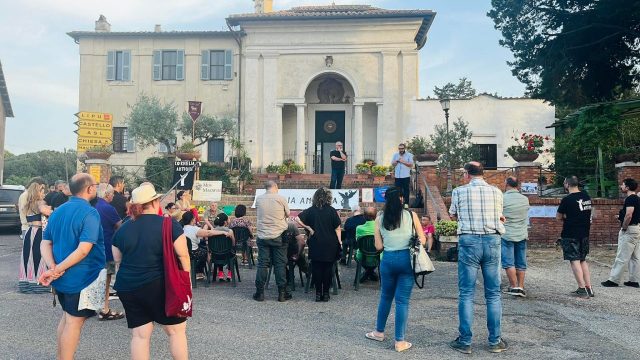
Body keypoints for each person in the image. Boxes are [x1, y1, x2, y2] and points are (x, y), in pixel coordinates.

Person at [111, 184, 190, 360]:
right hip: (161, 285)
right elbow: (183, 255)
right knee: (176, 332)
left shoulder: (124, 227)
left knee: (140, 335)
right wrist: (186, 284)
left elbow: (117, 258)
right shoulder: (170, 225)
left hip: (128, 286)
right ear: (155, 202)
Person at [39, 173, 106, 360]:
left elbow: (45, 243)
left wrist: (53, 267)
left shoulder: (58, 210)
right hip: (81, 277)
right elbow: (84, 249)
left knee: (67, 319)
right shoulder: (90, 213)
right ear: (90, 188)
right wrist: (57, 269)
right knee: (73, 323)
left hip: (62, 277)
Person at [449, 162, 508, 354]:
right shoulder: (497, 192)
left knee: (466, 292)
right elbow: (500, 216)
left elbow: (452, 215)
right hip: (492, 240)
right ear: (483, 174)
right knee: (493, 293)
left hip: (469, 241)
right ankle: (495, 340)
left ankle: (465, 341)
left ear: (467, 174)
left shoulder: (459, 191)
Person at [365, 187, 425, 352]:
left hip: (389, 260)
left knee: (385, 297)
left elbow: (378, 246)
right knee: (402, 301)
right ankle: (400, 341)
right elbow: (423, 239)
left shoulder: (379, 218)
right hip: (407, 259)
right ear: (401, 199)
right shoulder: (411, 215)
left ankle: (378, 332)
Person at [297, 187, 342, 302]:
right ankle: (326, 294)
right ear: (328, 198)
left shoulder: (311, 210)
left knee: (316, 268)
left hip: (316, 242)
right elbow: (337, 228)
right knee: (327, 268)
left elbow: (297, 218)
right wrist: (340, 242)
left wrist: (308, 228)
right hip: (330, 243)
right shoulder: (332, 210)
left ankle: (318, 294)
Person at [557, 176, 594, 298]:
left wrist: (567, 217)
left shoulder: (567, 200)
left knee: (574, 260)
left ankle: (581, 288)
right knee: (582, 259)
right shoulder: (586, 197)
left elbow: (558, 217)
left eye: (564, 183)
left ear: (567, 184)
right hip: (584, 233)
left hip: (570, 233)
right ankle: (589, 287)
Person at [253, 181, 291, 302]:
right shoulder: (281, 198)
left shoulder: (259, 199)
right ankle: (282, 293)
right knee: (280, 264)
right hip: (279, 234)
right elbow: (288, 214)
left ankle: (260, 292)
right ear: (275, 187)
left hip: (263, 235)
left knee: (262, 264)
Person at [602, 178, 640, 288]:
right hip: (637, 229)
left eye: (623, 185)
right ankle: (634, 280)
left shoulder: (630, 199)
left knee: (622, 256)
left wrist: (624, 227)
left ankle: (613, 280)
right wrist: (620, 216)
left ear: (627, 187)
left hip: (630, 230)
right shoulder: (637, 198)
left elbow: (629, 215)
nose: (621, 186)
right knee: (635, 257)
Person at [94, 183, 124, 320]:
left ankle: (95, 306)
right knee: (106, 279)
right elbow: (120, 226)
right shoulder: (108, 208)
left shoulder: (94, 206)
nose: (113, 196)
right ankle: (104, 308)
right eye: (112, 194)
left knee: (96, 278)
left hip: (93, 247)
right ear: (107, 194)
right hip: (106, 247)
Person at [18, 181, 52, 293]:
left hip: (29, 231)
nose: (44, 193)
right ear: (37, 192)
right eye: (42, 191)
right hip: (38, 232)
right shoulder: (40, 202)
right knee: (39, 256)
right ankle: (39, 282)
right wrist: (54, 212)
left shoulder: (28, 203)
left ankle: (27, 282)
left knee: (28, 257)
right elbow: (44, 211)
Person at [501, 177, 530, 297]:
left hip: (507, 234)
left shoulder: (502, 198)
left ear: (506, 184)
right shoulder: (525, 199)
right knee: (521, 263)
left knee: (509, 262)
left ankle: (513, 287)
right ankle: (521, 286)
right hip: (522, 234)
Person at [180, 211, 230, 280]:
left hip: (183, 252)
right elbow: (208, 233)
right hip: (193, 253)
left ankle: (199, 271)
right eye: (194, 218)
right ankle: (199, 271)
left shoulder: (181, 229)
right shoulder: (194, 229)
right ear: (192, 220)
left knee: (202, 247)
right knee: (205, 252)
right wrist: (222, 232)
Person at [355, 206, 380, 283]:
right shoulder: (380, 227)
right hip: (378, 256)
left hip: (362, 256)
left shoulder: (359, 228)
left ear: (364, 216)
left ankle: (368, 273)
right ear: (376, 216)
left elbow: (357, 241)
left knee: (358, 256)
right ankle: (370, 272)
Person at [211, 213, 236, 282]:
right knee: (232, 251)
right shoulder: (229, 231)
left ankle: (221, 273)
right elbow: (233, 243)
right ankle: (229, 273)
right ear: (225, 222)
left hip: (215, 255)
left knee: (219, 251)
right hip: (227, 254)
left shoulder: (212, 231)